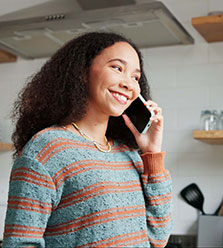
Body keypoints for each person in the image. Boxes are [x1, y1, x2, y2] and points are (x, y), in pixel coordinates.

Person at [3, 32, 172, 247]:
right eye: (117, 68)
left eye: (135, 77)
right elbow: (20, 243)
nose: (129, 84)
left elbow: (158, 238)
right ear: (82, 72)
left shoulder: (129, 153)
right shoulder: (46, 150)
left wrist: (152, 153)